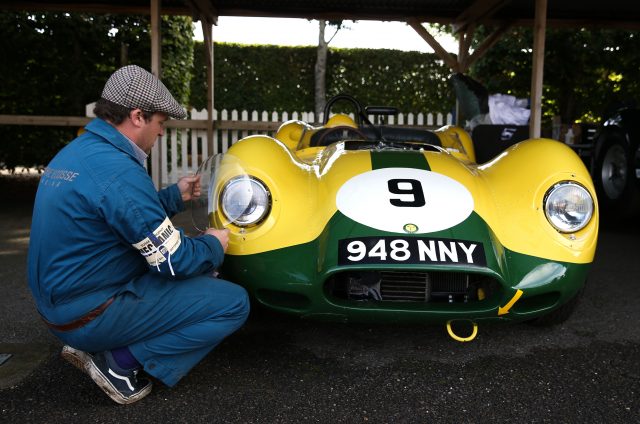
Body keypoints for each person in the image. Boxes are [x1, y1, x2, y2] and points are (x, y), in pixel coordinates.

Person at [27, 65, 250, 405]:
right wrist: (213, 244)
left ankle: (98, 342)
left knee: (200, 271)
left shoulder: (78, 152)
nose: (162, 133)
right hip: (86, 314)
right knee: (232, 302)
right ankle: (118, 363)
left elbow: (118, 217)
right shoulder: (120, 172)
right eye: (161, 123)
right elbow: (174, 261)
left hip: (61, 304)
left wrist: (174, 195)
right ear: (137, 116)